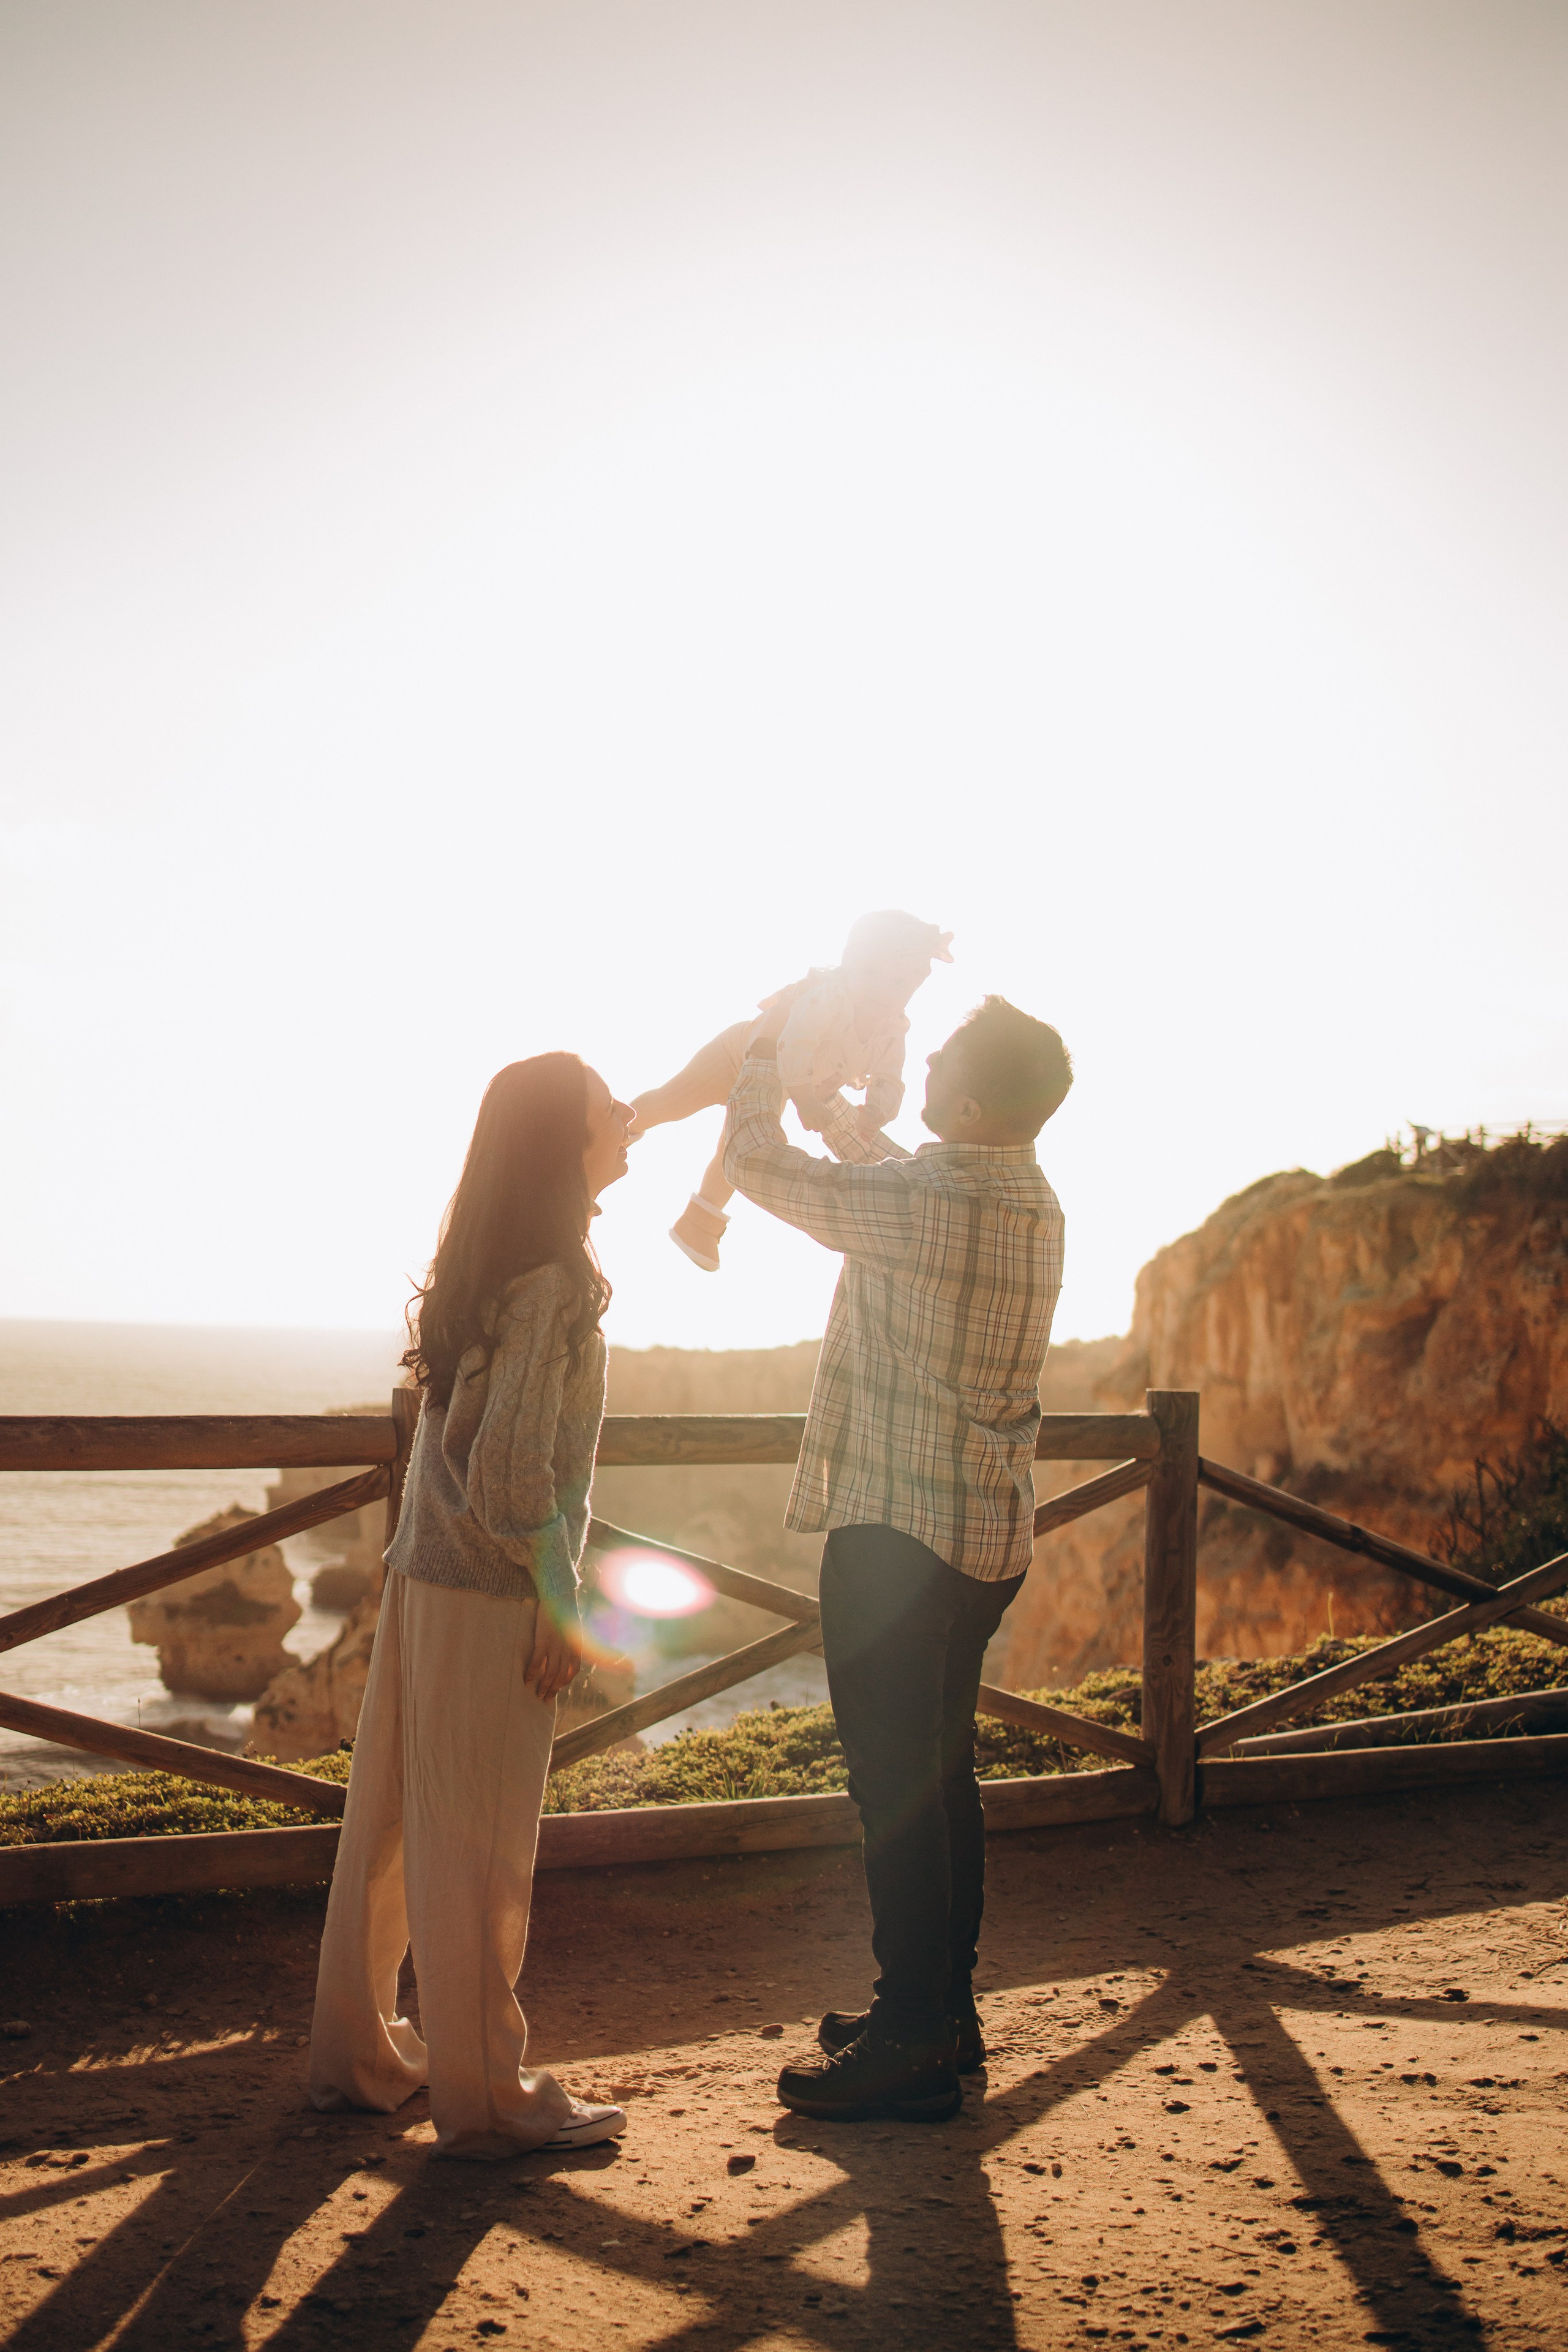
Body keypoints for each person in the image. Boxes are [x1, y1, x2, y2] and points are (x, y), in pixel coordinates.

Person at [724, 993, 1071, 2123]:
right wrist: (854, 1119)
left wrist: (763, 1057)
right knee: (941, 1781)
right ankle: (941, 2011)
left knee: (895, 1797)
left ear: (967, 1103)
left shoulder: (932, 1200)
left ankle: (914, 2037)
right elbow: (906, 1193)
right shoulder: (1023, 1193)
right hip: (983, 1540)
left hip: (896, 1547)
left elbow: (759, 1165)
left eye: (939, 1065)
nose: (919, 1067)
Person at [309, 1053, 636, 2158]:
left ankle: (361, 2059)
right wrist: (561, 1594)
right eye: (608, 1108)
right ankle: (490, 2100)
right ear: (565, 1141)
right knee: (483, 1849)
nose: (628, 1117)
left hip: (418, 1578)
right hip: (493, 1593)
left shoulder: (487, 1267)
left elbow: (467, 1465)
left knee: (394, 1827)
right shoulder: (552, 1282)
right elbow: (511, 1480)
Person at [630, 910, 953, 1272]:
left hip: (781, 1084)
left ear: (916, 986)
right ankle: (620, 1125)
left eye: (899, 984)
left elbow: (890, 1075)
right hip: (744, 1053)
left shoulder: (892, 1028)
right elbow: (795, 1043)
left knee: (738, 1145)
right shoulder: (828, 998)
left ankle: (698, 1225)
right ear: (848, 966)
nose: (882, 991)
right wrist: (806, 1101)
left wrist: (878, 1109)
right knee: (672, 1102)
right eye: (871, 973)